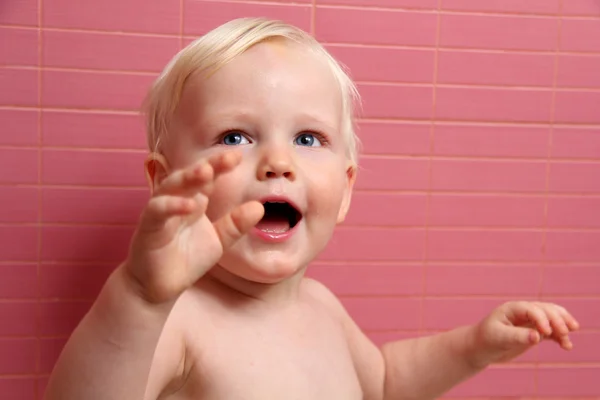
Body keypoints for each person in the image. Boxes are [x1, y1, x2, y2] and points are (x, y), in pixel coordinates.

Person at [44, 17, 579, 400]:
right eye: (234, 135)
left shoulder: (322, 308)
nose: (277, 161)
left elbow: (386, 382)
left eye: (307, 138)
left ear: (345, 188)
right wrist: (137, 300)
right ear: (165, 183)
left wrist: (473, 347)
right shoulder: (178, 323)